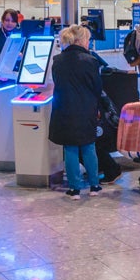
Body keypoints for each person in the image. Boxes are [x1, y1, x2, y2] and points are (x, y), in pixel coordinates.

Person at [49, 25, 104, 200]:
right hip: (86, 109)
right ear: (80, 41)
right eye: (87, 39)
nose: (88, 43)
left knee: (70, 148)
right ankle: (94, 186)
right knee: (88, 146)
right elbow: (97, 87)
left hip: (64, 108)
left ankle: (74, 189)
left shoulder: (57, 61)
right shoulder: (90, 60)